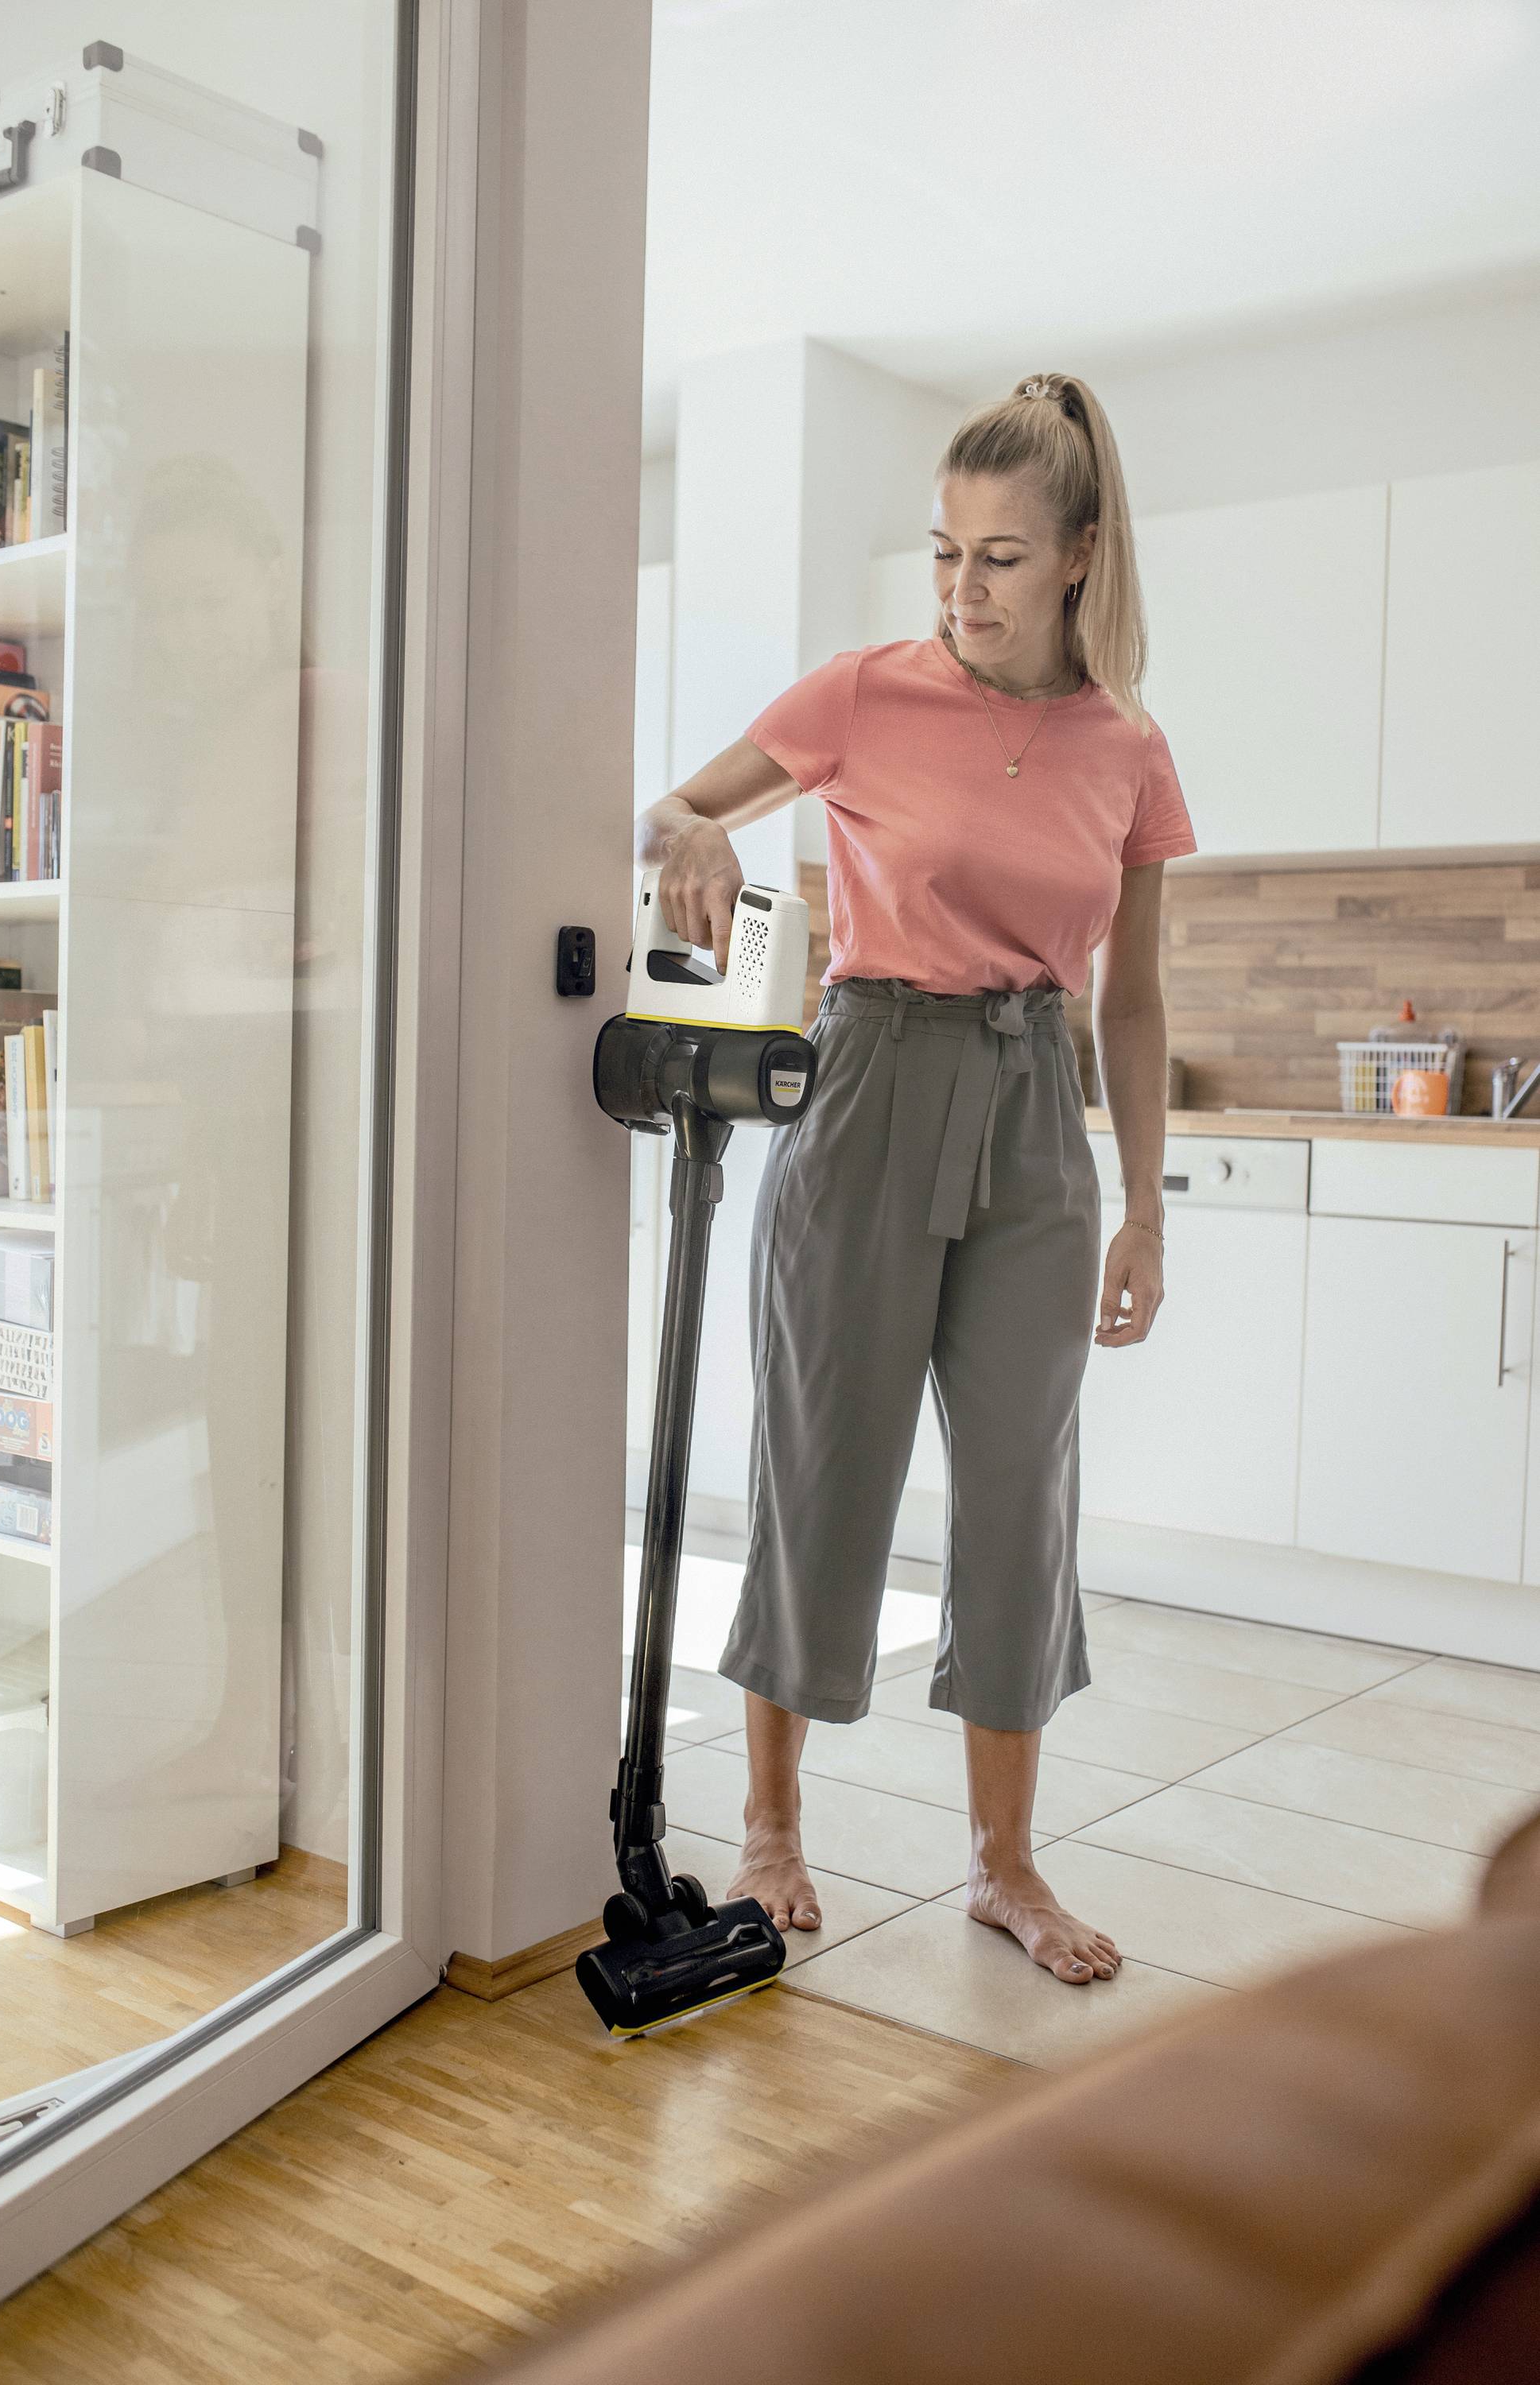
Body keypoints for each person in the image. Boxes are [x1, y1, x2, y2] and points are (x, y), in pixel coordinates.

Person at [634, 371, 1195, 1986]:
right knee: (826, 1464)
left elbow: (1137, 999)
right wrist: (701, 838)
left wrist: (1143, 1202)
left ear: (1079, 556)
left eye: (1000, 558)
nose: (960, 590)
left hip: (1035, 1112)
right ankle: (765, 1824)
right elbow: (676, 803)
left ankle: (1003, 1864)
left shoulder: (1127, 750)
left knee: (1021, 1493)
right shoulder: (861, 692)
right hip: (869, 1077)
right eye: (944, 552)